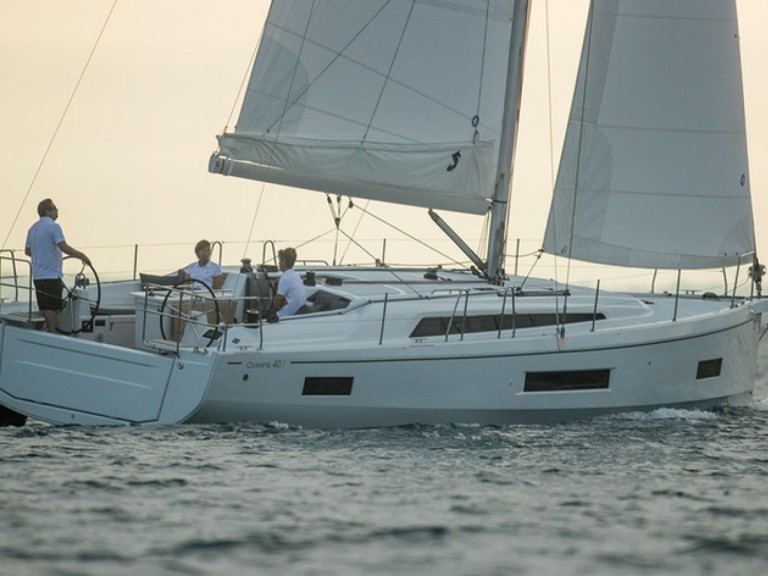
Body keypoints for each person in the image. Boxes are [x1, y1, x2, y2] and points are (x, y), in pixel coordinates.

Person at [25, 199, 90, 332]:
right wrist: (81, 255)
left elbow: (27, 251)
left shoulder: (33, 228)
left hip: (37, 275)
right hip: (52, 275)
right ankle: (52, 333)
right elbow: (63, 246)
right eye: (54, 208)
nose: (57, 211)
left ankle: (37, 333)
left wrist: (42, 255)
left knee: (42, 308)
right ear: (47, 211)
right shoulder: (54, 227)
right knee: (52, 308)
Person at [273, 247, 307, 318]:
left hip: (285, 314)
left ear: (284, 261)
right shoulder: (296, 276)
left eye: (280, 260)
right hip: (298, 311)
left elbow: (277, 303)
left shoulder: (285, 277)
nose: (279, 263)